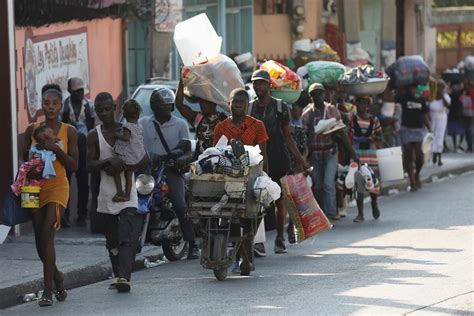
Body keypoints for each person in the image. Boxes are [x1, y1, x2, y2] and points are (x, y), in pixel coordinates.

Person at [23, 83, 78, 306]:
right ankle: (57, 276)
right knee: (39, 239)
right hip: (34, 187)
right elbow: (24, 160)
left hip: (57, 186)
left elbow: (74, 165)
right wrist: (31, 167)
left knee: (47, 232)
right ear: (42, 106)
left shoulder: (69, 131)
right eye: (46, 103)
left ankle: (47, 292)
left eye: (54, 103)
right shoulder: (32, 129)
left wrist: (55, 149)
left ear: (60, 105)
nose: (50, 107)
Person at [87, 92, 148, 293]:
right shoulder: (94, 135)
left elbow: (143, 158)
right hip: (106, 194)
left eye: (107, 109)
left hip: (128, 194)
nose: (104, 113)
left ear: (115, 108)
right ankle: (118, 274)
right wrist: (107, 162)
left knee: (127, 235)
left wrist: (126, 165)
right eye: (100, 110)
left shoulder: (128, 129)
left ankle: (124, 277)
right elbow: (88, 165)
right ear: (96, 112)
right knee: (112, 239)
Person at [249, 69, 311, 255]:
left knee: (280, 201)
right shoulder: (250, 108)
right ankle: (258, 241)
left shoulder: (280, 107)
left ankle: (279, 238)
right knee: (256, 200)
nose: (258, 86)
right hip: (256, 160)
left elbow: (288, 137)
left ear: (269, 85)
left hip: (278, 158)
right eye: (255, 83)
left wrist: (301, 161)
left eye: (261, 82)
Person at [213, 87, 269, 275]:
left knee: (252, 217)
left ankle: (246, 253)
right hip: (226, 178)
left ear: (247, 105)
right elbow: (216, 153)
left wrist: (263, 178)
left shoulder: (257, 125)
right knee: (230, 215)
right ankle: (234, 256)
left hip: (251, 177)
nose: (237, 105)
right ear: (228, 104)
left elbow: (263, 155)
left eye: (241, 102)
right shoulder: (220, 127)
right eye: (234, 102)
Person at [139, 87, 200, 260]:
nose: (165, 108)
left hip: (171, 170)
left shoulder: (180, 124)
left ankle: (193, 244)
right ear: (154, 106)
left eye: (168, 105)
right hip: (149, 170)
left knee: (180, 205)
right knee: (135, 199)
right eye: (161, 105)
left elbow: (189, 150)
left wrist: (181, 159)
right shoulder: (144, 123)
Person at [302, 83, 357, 221]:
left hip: (330, 152)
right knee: (317, 185)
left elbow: (342, 133)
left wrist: (353, 155)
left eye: (320, 93)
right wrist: (303, 158)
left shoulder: (332, 111)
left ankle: (330, 213)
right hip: (315, 154)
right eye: (315, 94)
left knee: (328, 183)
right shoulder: (307, 114)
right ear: (311, 97)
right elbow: (303, 137)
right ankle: (320, 213)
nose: (318, 96)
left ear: (324, 94)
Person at [60, 77, 95, 227]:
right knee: (66, 181)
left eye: (81, 90)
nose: (80, 93)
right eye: (76, 91)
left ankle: (82, 214)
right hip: (68, 147)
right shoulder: (64, 107)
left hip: (84, 146)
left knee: (83, 183)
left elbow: (92, 126)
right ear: (70, 91)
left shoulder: (89, 106)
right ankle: (65, 215)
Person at [345, 96, 382, 223]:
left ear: (368, 105)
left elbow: (380, 136)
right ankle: (360, 213)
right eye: (360, 103)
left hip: (371, 154)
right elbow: (348, 136)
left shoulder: (374, 120)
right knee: (358, 182)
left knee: (373, 180)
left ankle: (374, 203)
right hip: (357, 154)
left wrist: (373, 138)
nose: (362, 106)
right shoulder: (352, 119)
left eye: (365, 103)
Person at [176, 79, 227, 157]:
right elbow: (179, 105)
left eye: (206, 101)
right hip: (201, 162)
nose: (203, 104)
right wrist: (182, 81)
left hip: (220, 162)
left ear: (214, 103)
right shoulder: (198, 118)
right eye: (201, 101)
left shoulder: (223, 119)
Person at [396, 85, 432, 191]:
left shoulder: (421, 99)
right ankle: (412, 180)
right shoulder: (404, 98)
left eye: (414, 88)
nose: (413, 90)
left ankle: (417, 174)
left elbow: (424, 115)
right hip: (406, 129)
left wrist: (430, 128)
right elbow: (394, 99)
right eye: (411, 88)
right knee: (408, 156)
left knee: (419, 156)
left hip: (418, 130)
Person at [112, 100, 147, 202]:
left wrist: (116, 135)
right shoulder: (139, 126)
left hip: (129, 157)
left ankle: (120, 192)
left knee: (116, 171)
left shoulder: (127, 126)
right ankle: (127, 195)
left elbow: (126, 138)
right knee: (129, 175)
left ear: (125, 115)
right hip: (138, 156)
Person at [429, 80, 450, 166]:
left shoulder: (445, 96)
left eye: (442, 87)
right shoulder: (431, 96)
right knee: (433, 135)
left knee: (440, 135)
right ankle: (434, 153)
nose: (440, 89)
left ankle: (439, 156)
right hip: (432, 117)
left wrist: (441, 96)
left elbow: (447, 105)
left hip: (442, 117)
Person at [447, 83, 465, 152]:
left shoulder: (450, 95)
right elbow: (462, 90)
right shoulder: (457, 95)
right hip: (458, 116)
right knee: (462, 132)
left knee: (454, 133)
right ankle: (458, 145)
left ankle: (456, 146)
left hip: (452, 116)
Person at [460, 84, 473, 153]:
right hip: (469, 115)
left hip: (465, 115)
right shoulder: (470, 98)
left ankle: (469, 146)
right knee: (469, 131)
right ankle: (469, 147)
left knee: (468, 131)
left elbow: (461, 104)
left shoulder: (463, 97)